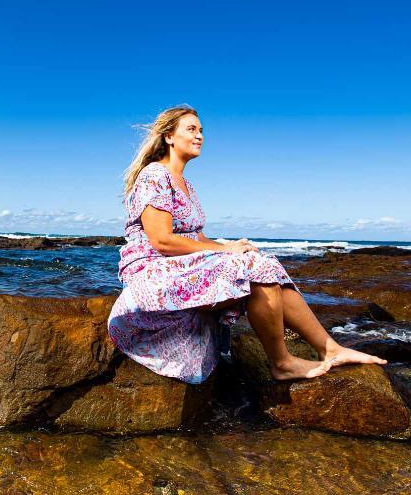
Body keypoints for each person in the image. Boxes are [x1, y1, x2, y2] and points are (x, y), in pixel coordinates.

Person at [107, 105, 386, 384]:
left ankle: (331, 349)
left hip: (179, 264)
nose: (200, 136)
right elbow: (162, 240)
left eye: (201, 130)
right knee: (253, 267)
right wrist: (225, 251)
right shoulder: (155, 174)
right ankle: (282, 362)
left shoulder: (187, 185)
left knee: (262, 263)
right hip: (153, 270)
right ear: (169, 136)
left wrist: (230, 245)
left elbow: (197, 238)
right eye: (191, 129)